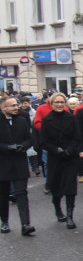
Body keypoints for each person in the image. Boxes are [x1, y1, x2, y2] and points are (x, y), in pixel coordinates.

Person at [40, 93, 83, 229]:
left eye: (61, 102)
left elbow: (77, 137)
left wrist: (70, 150)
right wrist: (56, 150)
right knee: (56, 186)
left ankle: (70, 216)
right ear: (52, 104)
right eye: (56, 102)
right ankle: (58, 209)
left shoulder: (71, 118)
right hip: (55, 157)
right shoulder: (47, 120)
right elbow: (44, 141)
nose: (59, 105)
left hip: (70, 157)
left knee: (70, 187)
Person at [0, 95, 34, 235]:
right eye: (13, 105)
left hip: (20, 161)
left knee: (21, 193)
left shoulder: (21, 120)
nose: (16, 107)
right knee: (3, 194)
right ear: (3, 108)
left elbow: (29, 138)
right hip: (3, 162)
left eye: (16, 105)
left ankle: (25, 224)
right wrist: (7, 147)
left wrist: (23, 146)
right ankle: (5, 221)